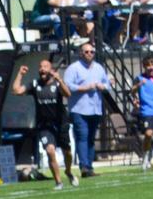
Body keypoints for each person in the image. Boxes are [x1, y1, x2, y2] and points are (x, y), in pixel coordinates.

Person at [12, 59, 75, 189]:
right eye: (40, 67)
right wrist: (20, 74)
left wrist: (60, 80)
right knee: (50, 150)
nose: (42, 69)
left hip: (60, 123)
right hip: (45, 125)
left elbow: (68, 94)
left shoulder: (57, 84)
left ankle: (68, 171)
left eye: (45, 66)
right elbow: (17, 90)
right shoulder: (35, 84)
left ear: (51, 70)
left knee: (67, 153)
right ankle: (58, 182)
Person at [63, 42, 113, 178]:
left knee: (91, 138)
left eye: (92, 52)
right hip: (79, 109)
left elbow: (108, 84)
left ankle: (89, 167)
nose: (90, 54)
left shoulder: (99, 68)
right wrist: (84, 88)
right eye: (86, 52)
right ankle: (84, 167)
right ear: (80, 53)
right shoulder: (73, 68)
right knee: (82, 137)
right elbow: (67, 86)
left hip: (95, 108)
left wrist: (104, 86)